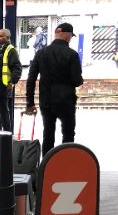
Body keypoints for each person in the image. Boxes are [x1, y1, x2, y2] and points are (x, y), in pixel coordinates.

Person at [25, 22, 84, 156]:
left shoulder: (41, 53)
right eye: (70, 36)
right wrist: (80, 80)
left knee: (48, 133)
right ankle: (65, 165)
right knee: (68, 134)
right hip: (66, 101)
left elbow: (31, 79)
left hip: (46, 101)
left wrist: (30, 103)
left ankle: (47, 166)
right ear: (68, 36)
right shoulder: (72, 54)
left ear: (56, 34)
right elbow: (76, 81)